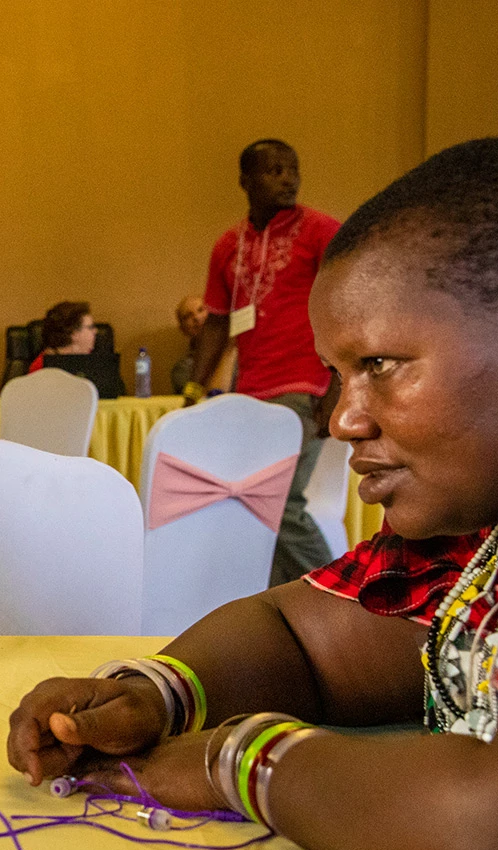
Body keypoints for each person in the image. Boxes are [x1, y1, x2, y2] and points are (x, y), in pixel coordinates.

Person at [3, 137, 498, 850]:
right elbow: (302, 634)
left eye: (382, 364)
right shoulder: (479, 532)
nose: (341, 418)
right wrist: (155, 695)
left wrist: (241, 761)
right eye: (337, 375)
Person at [186, 139, 341, 584]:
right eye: (273, 170)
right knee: (252, 505)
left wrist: (339, 387)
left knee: (279, 504)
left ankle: (343, 596)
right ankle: (282, 610)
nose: (287, 177)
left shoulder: (321, 232)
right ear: (245, 180)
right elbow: (217, 323)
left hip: (305, 388)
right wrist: (194, 390)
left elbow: (350, 307)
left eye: (292, 169)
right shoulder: (228, 245)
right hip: (249, 394)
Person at [168, 295, 235, 394]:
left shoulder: (242, 357)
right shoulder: (182, 369)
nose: (197, 317)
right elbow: (208, 399)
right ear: (183, 329)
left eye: (201, 310)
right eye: (188, 316)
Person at [25, 300, 95, 373]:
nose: (95, 331)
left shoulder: (95, 360)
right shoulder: (41, 367)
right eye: (90, 327)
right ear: (73, 333)